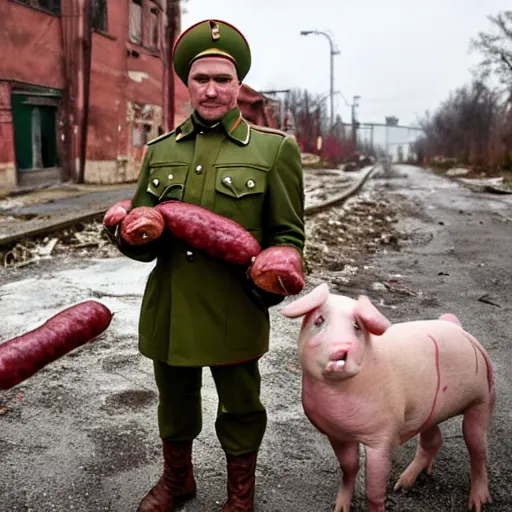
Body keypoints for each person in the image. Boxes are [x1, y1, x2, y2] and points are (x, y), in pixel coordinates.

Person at [107, 19, 305, 512]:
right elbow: (145, 236)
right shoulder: (160, 151)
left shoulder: (273, 149)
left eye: (222, 79)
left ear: (238, 85)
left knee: (241, 406)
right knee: (174, 404)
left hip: (234, 304)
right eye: (201, 79)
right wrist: (123, 231)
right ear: (188, 84)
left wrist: (272, 283)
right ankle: (178, 483)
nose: (211, 89)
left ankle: (241, 497)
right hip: (171, 305)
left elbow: (288, 236)